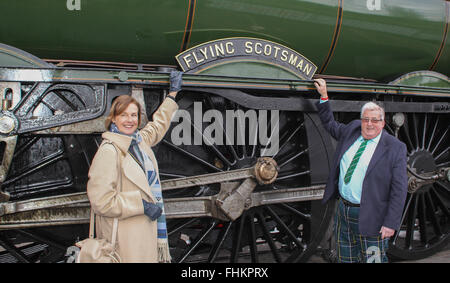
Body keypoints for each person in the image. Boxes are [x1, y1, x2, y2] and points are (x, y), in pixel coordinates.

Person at [86, 71, 183, 263]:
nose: (129, 120)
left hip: (142, 233)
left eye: (134, 115)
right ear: (113, 118)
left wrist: (172, 95)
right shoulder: (110, 150)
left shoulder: (138, 141)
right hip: (124, 237)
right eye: (123, 115)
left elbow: (158, 125)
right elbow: (101, 201)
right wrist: (142, 205)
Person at [313, 78, 408, 263]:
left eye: (375, 120)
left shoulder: (395, 147)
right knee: (345, 258)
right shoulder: (353, 130)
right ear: (361, 120)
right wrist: (324, 96)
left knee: (373, 260)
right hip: (344, 211)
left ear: (383, 122)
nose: (369, 124)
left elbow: (399, 189)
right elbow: (330, 125)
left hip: (373, 215)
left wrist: (390, 223)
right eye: (366, 119)